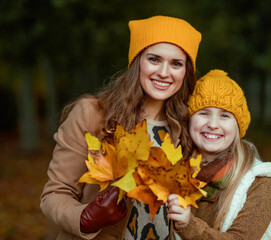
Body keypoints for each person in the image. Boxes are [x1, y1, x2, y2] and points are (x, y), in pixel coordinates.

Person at [40, 15, 201, 240]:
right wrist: (85, 217)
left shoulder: (190, 128)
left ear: (186, 72)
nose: (165, 72)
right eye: (154, 59)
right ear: (136, 61)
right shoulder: (92, 115)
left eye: (176, 63)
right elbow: (55, 194)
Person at [167, 69, 271, 239]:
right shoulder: (172, 170)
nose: (213, 124)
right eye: (203, 113)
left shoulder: (259, 182)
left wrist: (189, 226)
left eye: (224, 115)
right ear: (190, 119)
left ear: (238, 126)